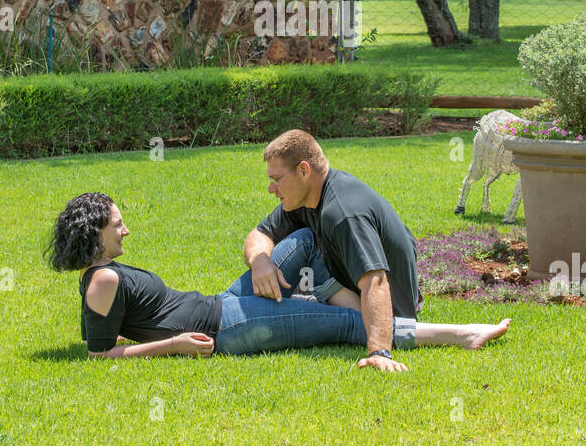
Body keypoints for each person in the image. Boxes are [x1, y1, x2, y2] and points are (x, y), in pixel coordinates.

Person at [47, 192, 510, 368]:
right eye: (118, 225)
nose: (126, 230)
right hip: (226, 329)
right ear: (96, 233)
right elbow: (99, 354)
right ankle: (459, 335)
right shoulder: (102, 281)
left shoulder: (106, 273)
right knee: (347, 328)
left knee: (305, 238)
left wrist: (260, 263)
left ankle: (341, 300)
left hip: (226, 302)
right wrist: (175, 346)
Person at [242, 129, 426, 372]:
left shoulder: (342, 212)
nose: (271, 189)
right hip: (349, 296)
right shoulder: (306, 197)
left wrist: (379, 351)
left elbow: (375, 280)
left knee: (270, 320)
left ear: (303, 171)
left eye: (276, 179)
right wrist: (260, 261)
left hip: (387, 316)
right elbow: (260, 234)